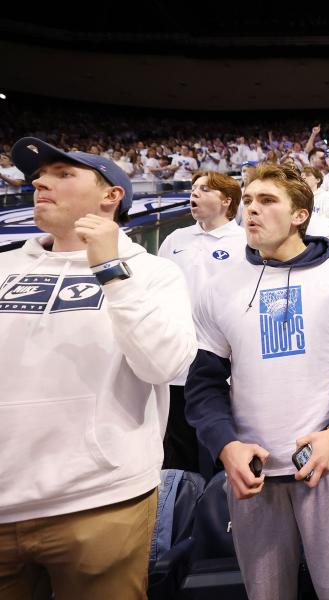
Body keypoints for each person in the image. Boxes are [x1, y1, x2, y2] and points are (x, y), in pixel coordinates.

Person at [0, 137, 197, 598]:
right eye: (39, 175)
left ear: (112, 196)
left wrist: (110, 269)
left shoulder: (151, 272)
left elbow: (164, 364)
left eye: (63, 174)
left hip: (101, 499)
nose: (40, 182)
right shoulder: (4, 267)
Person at [185, 164, 329, 599]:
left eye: (267, 201)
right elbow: (204, 384)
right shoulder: (219, 286)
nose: (251, 209)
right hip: (256, 473)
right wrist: (225, 445)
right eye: (248, 200)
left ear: (299, 215)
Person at [157, 171, 246, 472]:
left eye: (204, 189)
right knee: (177, 457)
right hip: (177, 365)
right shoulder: (175, 240)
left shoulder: (245, 242)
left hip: (224, 367)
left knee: (219, 453)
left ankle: (219, 517)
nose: (194, 193)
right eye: (193, 188)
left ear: (226, 200)